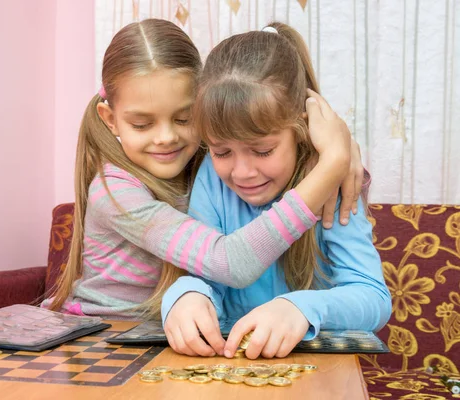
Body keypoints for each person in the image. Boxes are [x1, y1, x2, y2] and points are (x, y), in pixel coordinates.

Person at [44, 19, 365, 320]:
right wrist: (332, 164)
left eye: (185, 119)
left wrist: (337, 143)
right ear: (110, 118)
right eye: (142, 124)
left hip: (166, 339)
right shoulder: (114, 192)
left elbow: (269, 100)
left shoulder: (208, 158)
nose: (167, 137)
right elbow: (229, 263)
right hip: (103, 333)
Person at [161, 22, 392, 359]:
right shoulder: (210, 176)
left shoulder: (331, 180)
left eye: (263, 151)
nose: (242, 172)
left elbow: (373, 298)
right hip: (230, 369)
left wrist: (301, 308)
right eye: (222, 152)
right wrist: (186, 295)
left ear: (300, 129)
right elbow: (204, 272)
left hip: (318, 373)